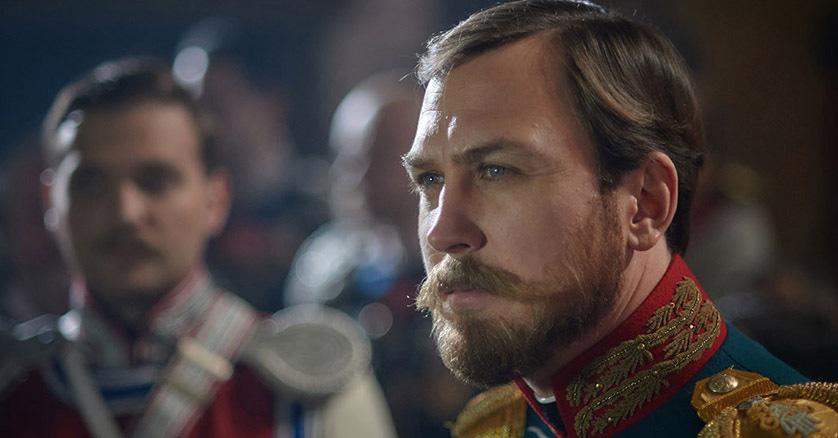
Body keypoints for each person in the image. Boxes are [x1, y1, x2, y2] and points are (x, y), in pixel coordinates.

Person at [403, 1, 837, 437]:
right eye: (430, 179)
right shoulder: (491, 427)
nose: (442, 232)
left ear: (646, 203)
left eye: (497, 171)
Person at [0, 58, 395, 438]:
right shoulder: (14, 386)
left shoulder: (308, 384)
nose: (126, 213)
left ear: (215, 199)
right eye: (90, 183)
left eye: (156, 180)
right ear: (50, 202)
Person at [284, 71, 473, 437]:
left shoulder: (462, 260)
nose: (354, 175)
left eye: (377, 155)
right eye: (345, 157)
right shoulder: (323, 270)